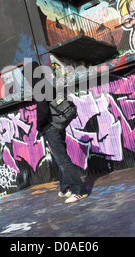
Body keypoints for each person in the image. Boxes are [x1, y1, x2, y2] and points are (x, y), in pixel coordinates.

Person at [29, 61, 88, 204]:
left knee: (62, 159)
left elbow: (42, 110)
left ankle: (79, 190)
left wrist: (39, 127)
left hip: (51, 127)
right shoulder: (46, 84)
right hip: (59, 126)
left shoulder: (39, 86)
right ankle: (65, 187)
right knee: (60, 158)